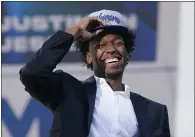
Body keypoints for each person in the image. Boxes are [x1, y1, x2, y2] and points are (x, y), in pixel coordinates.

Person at [19, 9, 170, 137]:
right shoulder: (69, 93)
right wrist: (74, 31)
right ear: (89, 57)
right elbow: (32, 73)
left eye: (118, 43)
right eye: (101, 45)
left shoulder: (155, 112)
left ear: (127, 53)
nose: (111, 49)